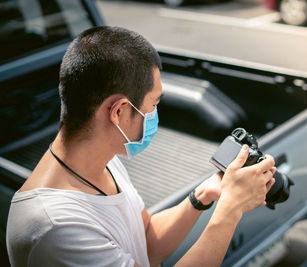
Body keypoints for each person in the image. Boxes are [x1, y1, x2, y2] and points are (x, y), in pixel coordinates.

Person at [6, 26, 276, 267]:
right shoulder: (57, 227)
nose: (155, 114)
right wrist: (229, 212)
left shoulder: (103, 160)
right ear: (119, 111)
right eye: (154, 104)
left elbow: (146, 240)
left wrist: (202, 196)